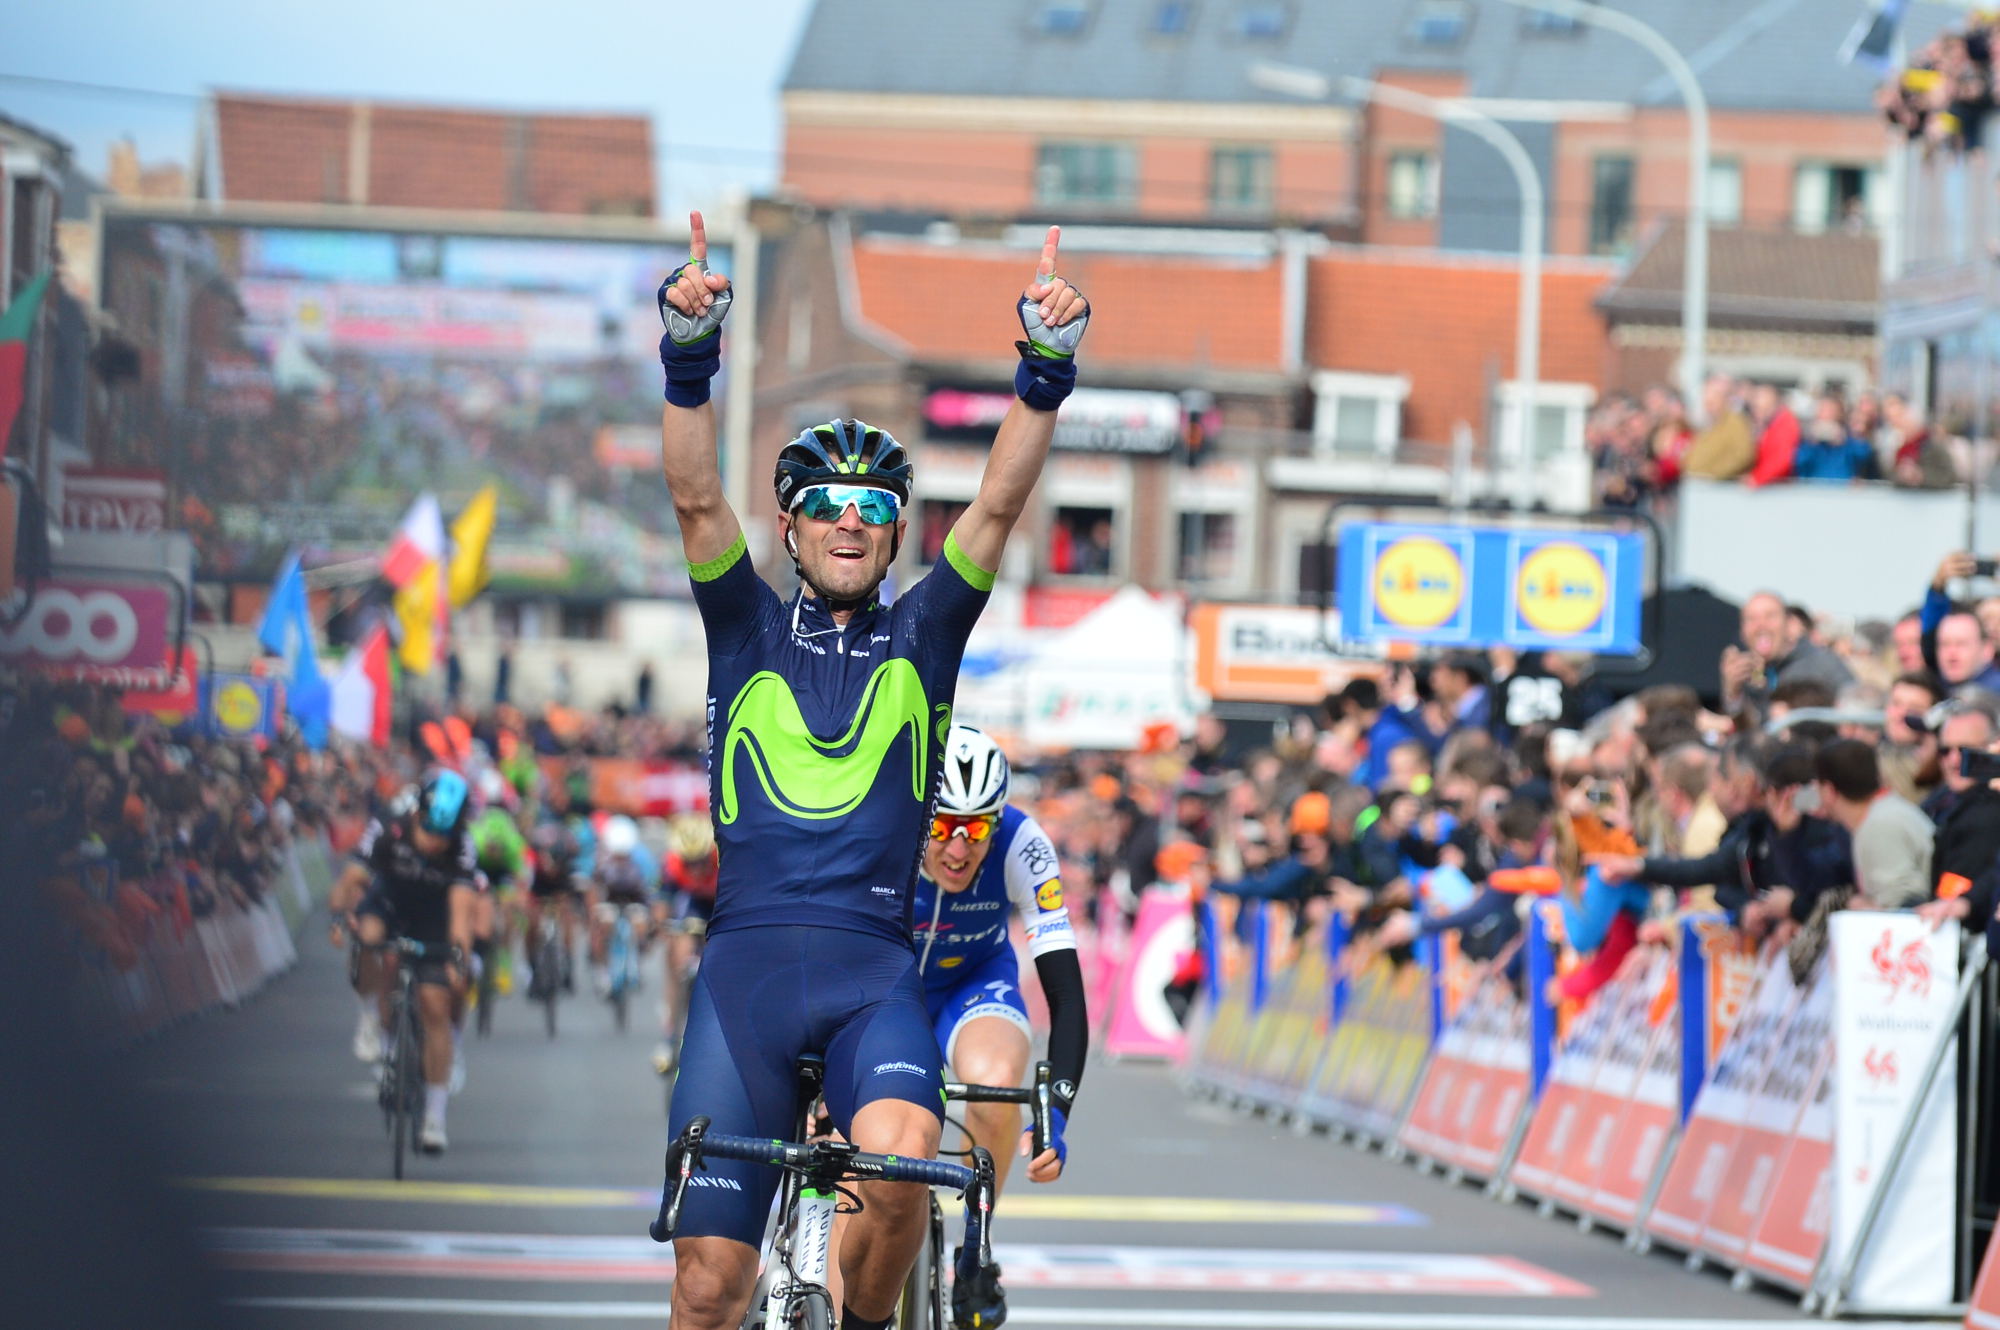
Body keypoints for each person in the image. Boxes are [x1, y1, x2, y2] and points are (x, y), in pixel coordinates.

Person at [656, 212, 1088, 1330]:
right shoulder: (741, 624)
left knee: (900, 1167)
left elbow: (996, 502)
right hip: (746, 978)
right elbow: (697, 497)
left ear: (895, 534)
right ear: (791, 527)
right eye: (826, 509)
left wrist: (1042, 374)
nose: (850, 524)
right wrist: (687, 357)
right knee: (707, 1285)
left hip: (870, 978)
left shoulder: (923, 634)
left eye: (873, 510)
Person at [907, 726, 1087, 1329]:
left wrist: (1055, 1113)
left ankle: (974, 1250)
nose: (959, 850)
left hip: (971, 982)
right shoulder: (884, 828)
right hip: (887, 987)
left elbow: (1065, 993)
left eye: (977, 828)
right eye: (943, 828)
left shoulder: (1023, 844)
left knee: (995, 1078)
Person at [327, 772, 478, 1154]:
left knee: (435, 1006)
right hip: (389, 903)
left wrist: (458, 958)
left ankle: (434, 1117)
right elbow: (353, 879)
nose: (434, 841)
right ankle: (369, 1016)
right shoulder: (387, 828)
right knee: (368, 934)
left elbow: (461, 912)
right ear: (416, 814)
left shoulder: (461, 846)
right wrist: (340, 916)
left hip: (433, 918)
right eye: (428, 829)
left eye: (443, 834)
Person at [1813, 739, 1933, 908]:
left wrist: (1862, 907)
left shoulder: (1879, 825)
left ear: (1828, 790)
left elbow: (1905, 904)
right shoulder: (1879, 814)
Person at [653, 810, 718, 1076]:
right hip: (689, 907)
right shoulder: (671, 865)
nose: (695, 868)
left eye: (700, 861)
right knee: (678, 953)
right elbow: (662, 903)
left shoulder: (723, 861)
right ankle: (670, 1033)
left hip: (717, 903)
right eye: (688, 862)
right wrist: (660, 926)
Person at [588, 814, 658, 996]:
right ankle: (604, 971)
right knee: (604, 925)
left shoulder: (641, 859)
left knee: (640, 924)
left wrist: (650, 916)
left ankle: (637, 962)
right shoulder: (601, 859)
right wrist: (595, 911)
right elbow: (594, 887)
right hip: (610, 902)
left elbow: (650, 889)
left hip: (634, 902)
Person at [1682, 374, 1755, 480]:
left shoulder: (1735, 421)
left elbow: (1743, 456)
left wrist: (1713, 473)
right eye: (1706, 398)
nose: (1707, 403)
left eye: (1712, 399)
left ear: (1723, 398)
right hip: (1700, 486)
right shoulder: (1712, 422)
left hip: (1718, 490)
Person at [1744, 383, 1801, 488]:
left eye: (1758, 406)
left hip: (1777, 489)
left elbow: (1782, 459)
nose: (1754, 409)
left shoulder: (1785, 423)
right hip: (1770, 486)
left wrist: (1757, 478)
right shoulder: (1769, 424)